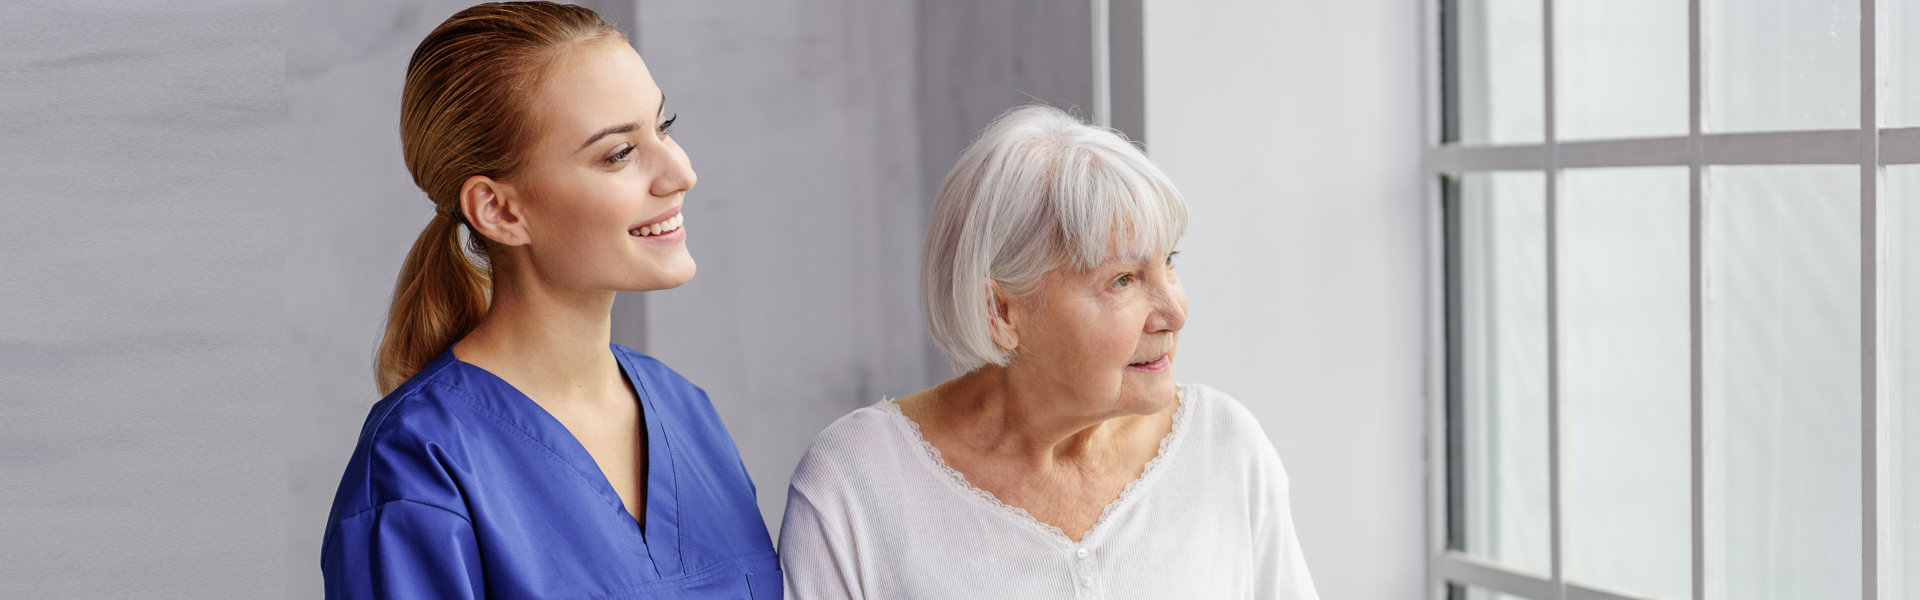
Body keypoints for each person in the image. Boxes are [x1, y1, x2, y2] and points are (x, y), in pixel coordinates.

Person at [320, 3, 779, 597]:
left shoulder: (689, 415)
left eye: (663, 127)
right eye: (618, 153)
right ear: (501, 210)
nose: (680, 171)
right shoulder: (419, 463)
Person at [777, 105, 1319, 599]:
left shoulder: (1225, 445)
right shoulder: (855, 487)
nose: (1174, 311)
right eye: (1124, 280)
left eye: (1169, 261)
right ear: (1002, 313)